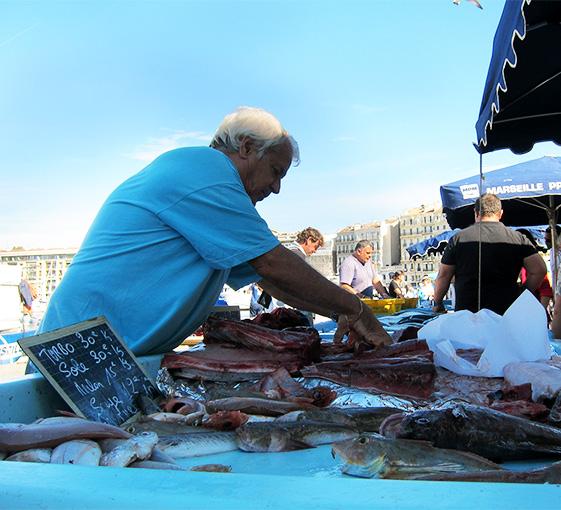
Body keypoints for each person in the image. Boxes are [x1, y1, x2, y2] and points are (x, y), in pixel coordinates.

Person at [38, 107, 391, 354]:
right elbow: (272, 263)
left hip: (106, 345)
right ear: (247, 148)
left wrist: (339, 313)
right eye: (276, 172)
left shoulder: (207, 180)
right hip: (82, 347)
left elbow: (267, 279)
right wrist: (357, 309)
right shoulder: (206, 173)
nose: (277, 188)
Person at [432, 193, 546, 315]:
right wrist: (522, 292)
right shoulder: (518, 238)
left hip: (467, 312)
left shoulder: (458, 239)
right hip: (506, 311)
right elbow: (539, 270)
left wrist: (438, 302)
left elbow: (444, 275)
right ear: (500, 213)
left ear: (476, 212)